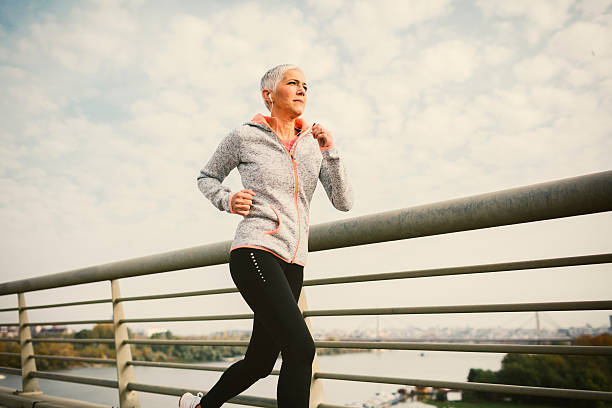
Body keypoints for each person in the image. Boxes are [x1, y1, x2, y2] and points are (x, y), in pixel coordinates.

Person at [179, 64, 353, 408]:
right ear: (268, 95)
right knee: (301, 349)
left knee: (260, 362)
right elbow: (207, 177)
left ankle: (200, 407)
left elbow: (343, 201)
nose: (303, 89)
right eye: (293, 83)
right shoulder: (245, 136)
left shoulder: (312, 144)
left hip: (294, 262)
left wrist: (331, 150)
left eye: (306, 85)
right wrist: (227, 199)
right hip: (255, 251)